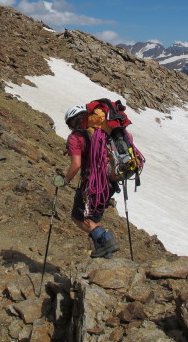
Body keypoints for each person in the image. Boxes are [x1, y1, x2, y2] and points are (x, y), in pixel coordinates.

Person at [63, 104, 120, 259]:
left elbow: (76, 165)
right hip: (110, 182)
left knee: (78, 216)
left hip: (92, 182)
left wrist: (64, 181)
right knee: (93, 218)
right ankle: (105, 255)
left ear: (72, 122)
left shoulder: (76, 137)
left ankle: (107, 240)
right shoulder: (103, 131)